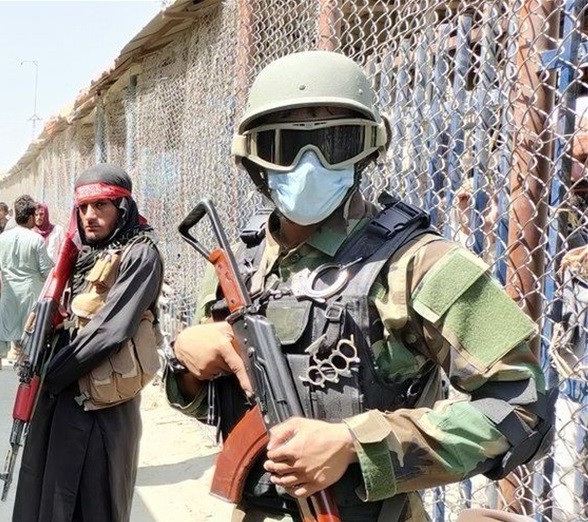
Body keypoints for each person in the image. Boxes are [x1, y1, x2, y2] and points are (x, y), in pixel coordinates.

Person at [164, 51, 555, 522]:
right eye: (286, 145)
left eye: (337, 141)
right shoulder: (239, 262)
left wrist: (355, 444)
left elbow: (522, 408)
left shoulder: (420, 264)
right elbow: (204, 402)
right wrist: (185, 358)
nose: (310, 165)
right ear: (253, 157)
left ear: (367, 148)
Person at [12, 164, 165, 522]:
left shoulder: (140, 255)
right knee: (50, 497)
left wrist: (50, 374)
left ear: (122, 209)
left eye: (100, 206)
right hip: (64, 398)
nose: (90, 216)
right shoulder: (82, 255)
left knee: (96, 503)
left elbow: (110, 331)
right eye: (83, 208)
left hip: (104, 408)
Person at [0, 196, 52, 371]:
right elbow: (46, 270)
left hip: (8, 287)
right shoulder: (36, 240)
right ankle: (25, 358)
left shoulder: (3, 237)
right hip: (30, 289)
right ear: (30, 217)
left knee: (4, 321)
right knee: (29, 325)